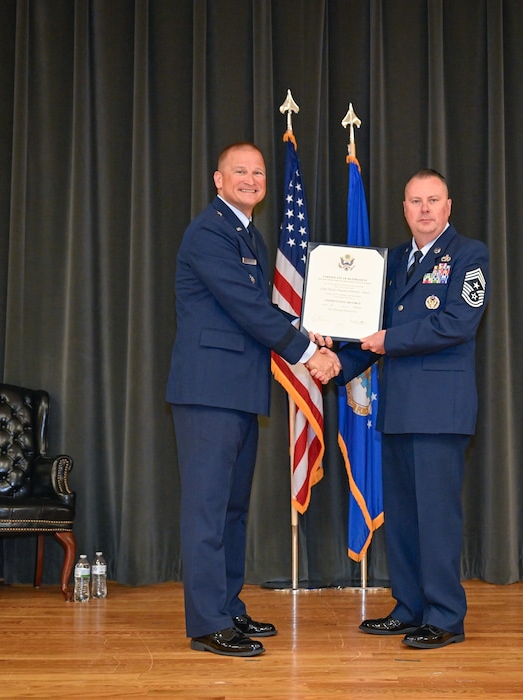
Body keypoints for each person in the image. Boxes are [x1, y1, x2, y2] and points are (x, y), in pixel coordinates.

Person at [166, 142, 340, 657]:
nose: (250, 179)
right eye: (238, 171)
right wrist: (308, 351)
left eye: (257, 172)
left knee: (232, 509)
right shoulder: (208, 233)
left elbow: (262, 310)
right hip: (207, 393)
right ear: (217, 180)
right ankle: (206, 623)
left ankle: (227, 606)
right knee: (207, 510)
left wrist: (312, 332)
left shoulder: (251, 236)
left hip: (238, 391)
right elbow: (245, 307)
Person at [332, 168, 489, 649]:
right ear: (404, 209)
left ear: (448, 206)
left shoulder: (469, 254)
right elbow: (368, 331)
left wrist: (388, 339)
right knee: (403, 516)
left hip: (441, 410)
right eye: (415, 201)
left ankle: (444, 616)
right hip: (398, 408)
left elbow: (457, 323)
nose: (423, 209)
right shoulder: (394, 260)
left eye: (432, 200)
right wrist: (333, 359)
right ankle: (409, 607)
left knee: (436, 517)